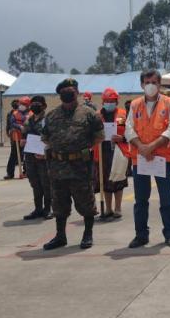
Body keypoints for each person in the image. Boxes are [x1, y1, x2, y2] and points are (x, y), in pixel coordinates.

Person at [41, 79, 104, 250]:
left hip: (79, 166)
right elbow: (45, 137)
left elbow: (99, 136)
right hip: (57, 166)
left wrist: (83, 150)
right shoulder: (52, 116)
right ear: (60, 94)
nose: (67, 93)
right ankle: (60, 236)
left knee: (85, 202)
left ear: (77, 92)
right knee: (59, 204)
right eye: (64, 91)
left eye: (71, 90)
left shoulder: (89, 114)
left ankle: (87, 234)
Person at [125, 70, 170, 248]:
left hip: (162, 159)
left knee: (166, 198)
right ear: (142, 84)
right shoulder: (134, 105)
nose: (151, 85)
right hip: (140, 159)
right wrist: (142, 147)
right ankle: (141, 235)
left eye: (154, 82)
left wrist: (152, 147)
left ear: (159, 84)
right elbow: (128, 129)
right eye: (147, 82)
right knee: (140, 200)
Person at [95, 88, 130, 219]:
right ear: (103, 101)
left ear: (117, 101)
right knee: (105, 181)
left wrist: (123, 139)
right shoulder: (97, 116)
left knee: (119, 180)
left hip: (119, 151)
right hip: (102, 152)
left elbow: (131, 132)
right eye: (107, 101)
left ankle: (118, 208)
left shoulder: (123, 114)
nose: (110, 103)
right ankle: (108, 208)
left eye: (112, 101)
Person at [21, 96, 53, 220]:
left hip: (43, 157)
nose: (35, 106)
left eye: (38, 104)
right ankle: (38, 208)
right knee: (35, 183)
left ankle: (48, 209)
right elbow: (25, 134)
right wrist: (23, 141)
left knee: (46, 183)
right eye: (33, 103)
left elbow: (52, 137)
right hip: (30, 156)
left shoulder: (48, 120)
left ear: (44, 106)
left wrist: (46, 152)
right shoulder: (29, 120)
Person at [5, 98, 28, 180]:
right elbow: (12, 123)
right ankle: (10, 173)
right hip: (16, 137)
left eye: (23, 104)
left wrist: (25, 128)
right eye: (20, 104)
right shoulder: (14, 113)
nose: (21, 105)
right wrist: (19, 127)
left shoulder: (31, 113)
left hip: (27, 138)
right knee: (13, 155)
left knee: (27, 155)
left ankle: (26, 172)